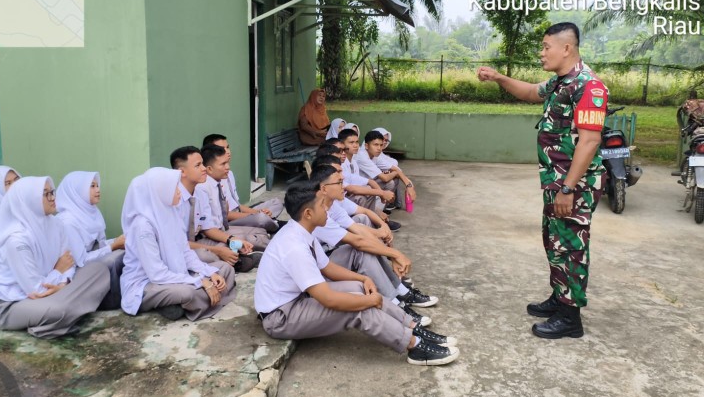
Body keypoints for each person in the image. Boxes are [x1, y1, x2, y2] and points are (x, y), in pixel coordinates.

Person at [477, 22, 608, 339]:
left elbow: (589, 141)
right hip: (556, 181)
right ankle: (559, 297)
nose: (542, 52)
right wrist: (499, 78)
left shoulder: (589, 86)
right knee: (554, 240)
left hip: (574, 186)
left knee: (571, 246)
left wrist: (568, 188)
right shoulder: (560, 82)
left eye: (546, 46)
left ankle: (570, 317)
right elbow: (530, 92)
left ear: (567, 48)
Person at [254, 181, 459, 366]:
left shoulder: (301, 231)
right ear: (308, 213)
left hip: (296, 300)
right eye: (322, 205)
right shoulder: (294, 247)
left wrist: (363, 278)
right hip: (281, 317)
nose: (327, 209)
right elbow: (329, 299)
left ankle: (411, 326)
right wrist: (369, 301)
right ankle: (414, 346)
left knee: (361, 288)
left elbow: (327, 268)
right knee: (359, 308)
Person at [0, 177, 110, 338]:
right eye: (45, 194)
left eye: (52, 192)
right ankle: (57, 318)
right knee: (58, 311)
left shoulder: (56, 224)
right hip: (13, 302)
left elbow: (68, 262)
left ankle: (67, 310)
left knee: (99, 270)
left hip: (53, 288)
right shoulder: (17, 240)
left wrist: (63, 283)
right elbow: (36, 290)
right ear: (29, 200)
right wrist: (58, 272)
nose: (52, 198)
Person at [310, 166, 438, 314]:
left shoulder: (331, 205)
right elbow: (358, 241)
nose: (343, 185)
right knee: (361, 250)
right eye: (339, 182)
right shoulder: (315, 213)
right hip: (321, 273)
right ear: (323, 188)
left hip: (329, 258)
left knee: (364, 235)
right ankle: (396, 306)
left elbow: (358, 231)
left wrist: (388, 247)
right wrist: (395, 254)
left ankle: (400, 290)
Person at [119, 167, 236, 321]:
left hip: (176, 273)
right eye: (175, 188)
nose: (180, 191)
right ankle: (186, 300)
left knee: (225, 269)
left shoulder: (170, 213)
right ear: (160, 192)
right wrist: (200, 281)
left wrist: (209, 273)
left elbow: (186, 252)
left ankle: (182, 304)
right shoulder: (142, 226)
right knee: (186, 292)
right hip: (147, 284)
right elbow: (157, 274)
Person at [171, 146, 255, 269]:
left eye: (202, 164)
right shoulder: (174, 198)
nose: (204, 168)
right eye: (198, 165)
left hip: (197, 241)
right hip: (178, 248)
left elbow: (208, 228)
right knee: (206, 254)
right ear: (182, 172)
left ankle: (232, 260)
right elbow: (178, 243)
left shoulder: (200, 193)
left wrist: (232, 240)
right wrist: (217, 251)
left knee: (233, 243)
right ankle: (232, 262)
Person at [56, 171, 126, 310]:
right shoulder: (68, 221)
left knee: (124, 250)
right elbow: (81, 260)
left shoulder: (91, 211)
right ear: (77, 191)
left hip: (89, 261)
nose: (98, 190)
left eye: (97, 185)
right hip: (73, 270)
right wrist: (113, 246)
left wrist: (118, 241)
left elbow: (98, 245)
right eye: (92, 186)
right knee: (112, 259)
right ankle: (109, 301)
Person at [197, 144, 271, 257]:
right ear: (209, 169)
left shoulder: (218, 183)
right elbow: (207, 229)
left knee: (260, 231)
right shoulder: (203, 188)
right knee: (246, 239)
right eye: (223, 164)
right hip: (212, 234)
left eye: (227, 163)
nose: (227, 167)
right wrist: (231, 239)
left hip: (223, 228)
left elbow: (226, 211)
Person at [201, 134, 283, 233]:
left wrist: (258, 212)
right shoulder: (209, 183)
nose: (227, 152)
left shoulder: (228, 174)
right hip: (228, 221)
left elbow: (237, 205)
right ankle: (272, 223)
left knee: (277, 202)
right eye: (221, 149)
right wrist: (256, 215)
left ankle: (268, 221)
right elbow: (225, 215)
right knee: (260, 219)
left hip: (240, 212)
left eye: (227, 147)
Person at [337, 128, 395, 212]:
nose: (355, 145)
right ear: (342, 144)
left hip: (353, 190)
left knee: (370, 189)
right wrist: (382, 193)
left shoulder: (353, 161)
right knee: (363, 196)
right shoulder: (340, 164)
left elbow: (368, 182)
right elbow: (351, 189)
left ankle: (375, 214)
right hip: (343, 196)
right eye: (351, 142)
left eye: (357, 142)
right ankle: (372, 215)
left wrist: (381, 194)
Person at [356, 130, 416, 209]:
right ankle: (373, 211)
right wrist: (395, 173)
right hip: (357, 188)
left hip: (369, 183)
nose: (379, 148)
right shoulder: (362, 156)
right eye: (375, 145)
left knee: (390, 183)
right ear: (366, 146)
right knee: (388, 182)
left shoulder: (375, 155)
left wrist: (409, 186)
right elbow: (385, 178)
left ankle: (379, 210)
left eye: (381, 145)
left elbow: (396, 168)